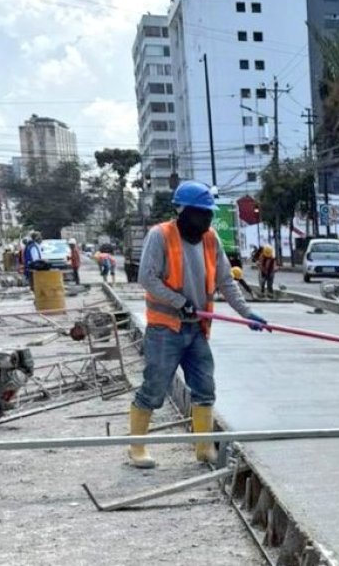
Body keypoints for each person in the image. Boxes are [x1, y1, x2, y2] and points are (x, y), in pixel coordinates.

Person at [129, 180, 268, 469]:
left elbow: (225, 281)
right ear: (183, 212)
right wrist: (179, 302)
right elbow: (147, 278)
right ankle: (136, 448)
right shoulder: (160, 236)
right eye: (202, 213)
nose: (207, 219)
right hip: (165, 329)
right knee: (154, 388)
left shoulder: (210, 238)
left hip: (196, 330)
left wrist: (247, 313)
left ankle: (203, 448)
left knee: (205, 387)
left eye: (209, 214)